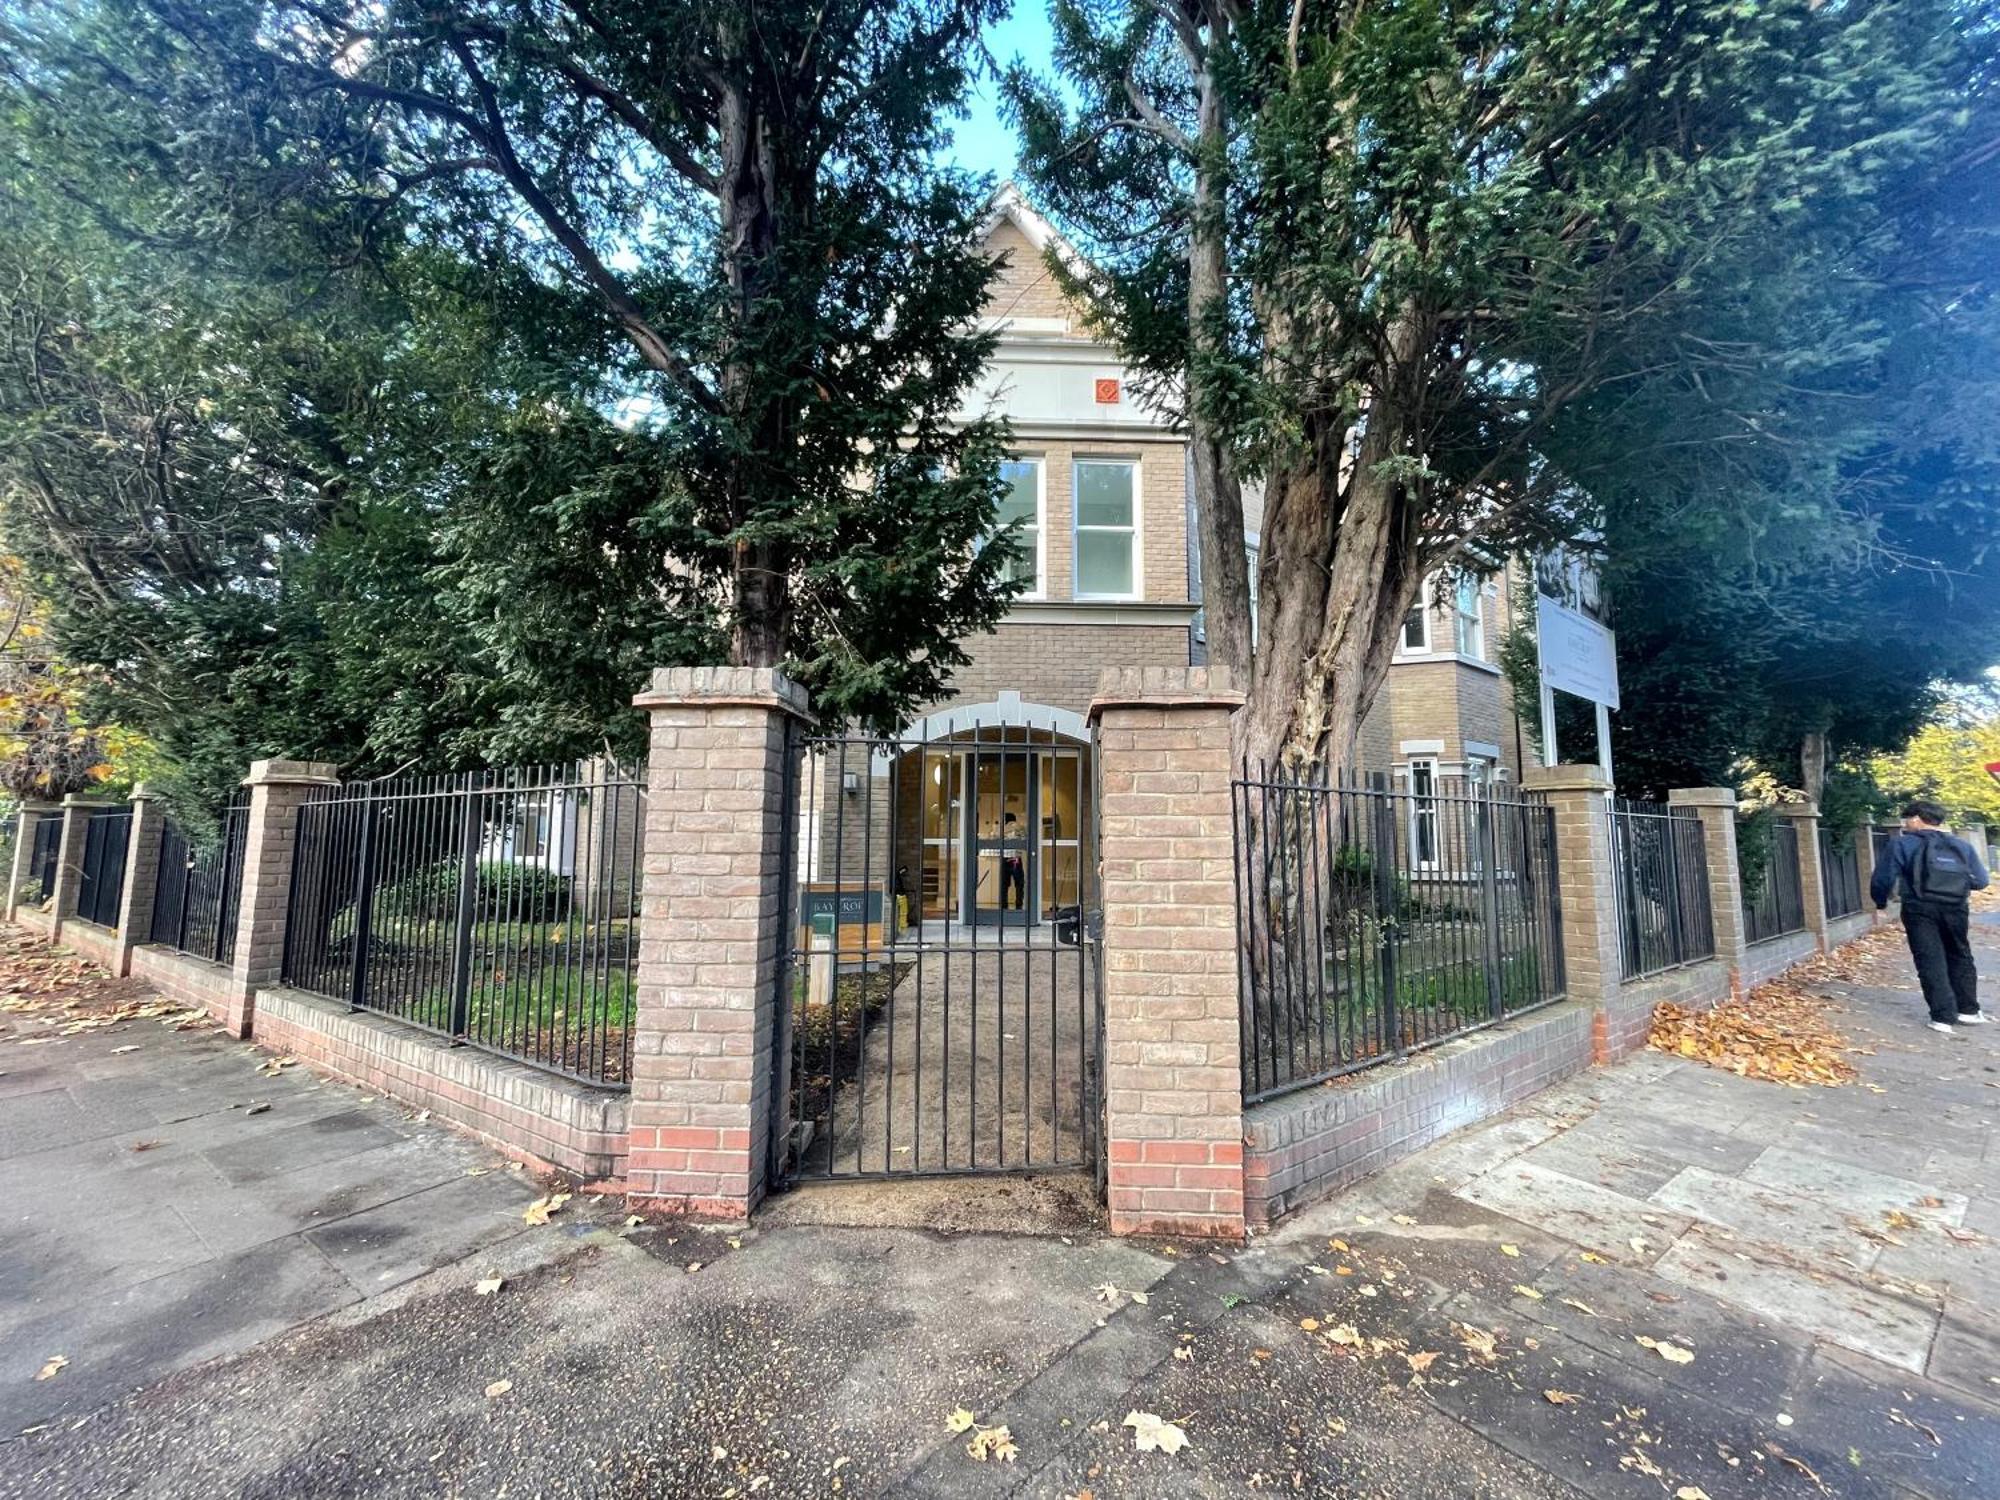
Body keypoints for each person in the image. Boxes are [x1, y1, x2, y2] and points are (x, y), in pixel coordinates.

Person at [1869, 799, 1990, 1033]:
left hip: (1919, 907)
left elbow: (1883, 877)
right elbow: (1981, 881)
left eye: (1906, 819)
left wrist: (1880, 902)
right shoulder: (1961, 846)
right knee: (1960, 954)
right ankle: (1969, 1010)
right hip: (1956, 907)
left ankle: (1943, 1017)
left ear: (1916, 818)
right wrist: (1955, 888)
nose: (1905, 824)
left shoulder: (1902, 844)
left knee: (1929, 958)